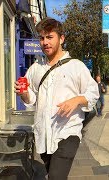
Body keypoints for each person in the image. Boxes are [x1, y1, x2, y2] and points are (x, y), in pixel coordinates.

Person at [14, 17, 99, 179]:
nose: (45, 42)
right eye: (42, 38)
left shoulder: (76, 66)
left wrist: (77, 100)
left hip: (68, 132)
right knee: (53, 175)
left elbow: (93, 92)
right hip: (44, 135)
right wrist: (23, 93)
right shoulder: (35, 69)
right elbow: (31, 99)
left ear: (61, 38)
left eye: (50, 37)